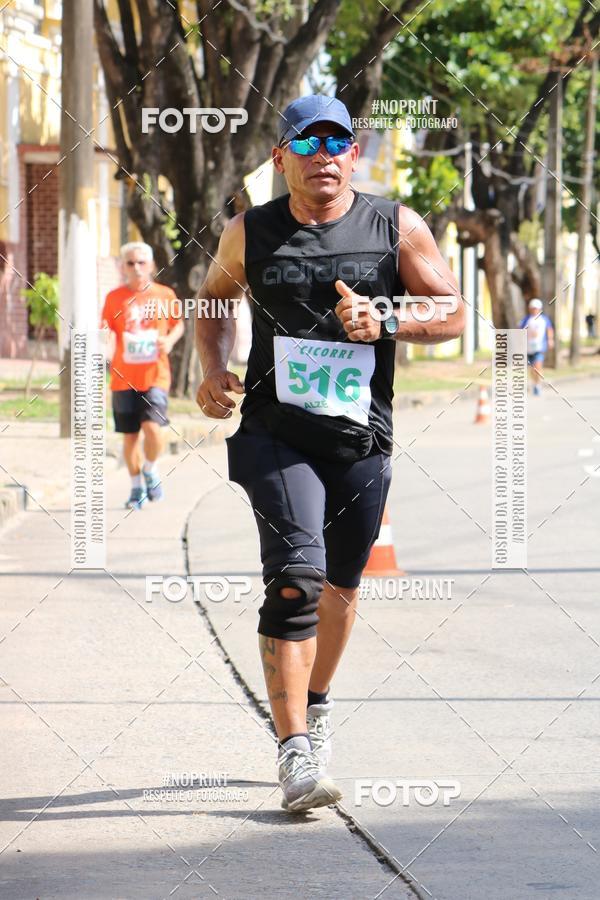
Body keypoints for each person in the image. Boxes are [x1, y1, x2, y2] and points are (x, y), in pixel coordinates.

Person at [195, 94, 464, 812]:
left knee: (341, 587)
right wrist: (212, 366)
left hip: (360, 438)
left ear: (353, 153)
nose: (324, 156)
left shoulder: (395, 226)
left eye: (336, 142)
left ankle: (314, 707)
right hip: (275, 432)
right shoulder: (249, 231)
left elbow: (452, 311)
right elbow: (214, 300)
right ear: (280, 156)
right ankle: (293, 753)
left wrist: (387, 317)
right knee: (296, 578)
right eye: (307, 144)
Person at [102, 242, 184, 509]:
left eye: (141, 262)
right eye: (130, 263)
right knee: (130, 437)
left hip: (155, 375)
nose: (136, 268)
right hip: (123, 377)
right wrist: (104, 343)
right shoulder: (114, 298)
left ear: (150, 265)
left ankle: (150, 468)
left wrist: (169, 341)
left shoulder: (164, 295)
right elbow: (106, 328)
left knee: (153, 429)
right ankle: (136, 489)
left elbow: (178, 325)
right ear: (122, 267)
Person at [519, 298, 554, 396]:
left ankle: (537, 385)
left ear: (539, 309)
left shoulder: (544, 319)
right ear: (530, 309)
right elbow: (520, 330)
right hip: (528, 347)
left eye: (536, 308)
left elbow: (549, 329)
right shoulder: (526, 319)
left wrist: (550, 340)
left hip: (539, 347)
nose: (534, 310)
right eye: (533, 308)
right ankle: (534, 383)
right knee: (532, 368)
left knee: (538, 366)